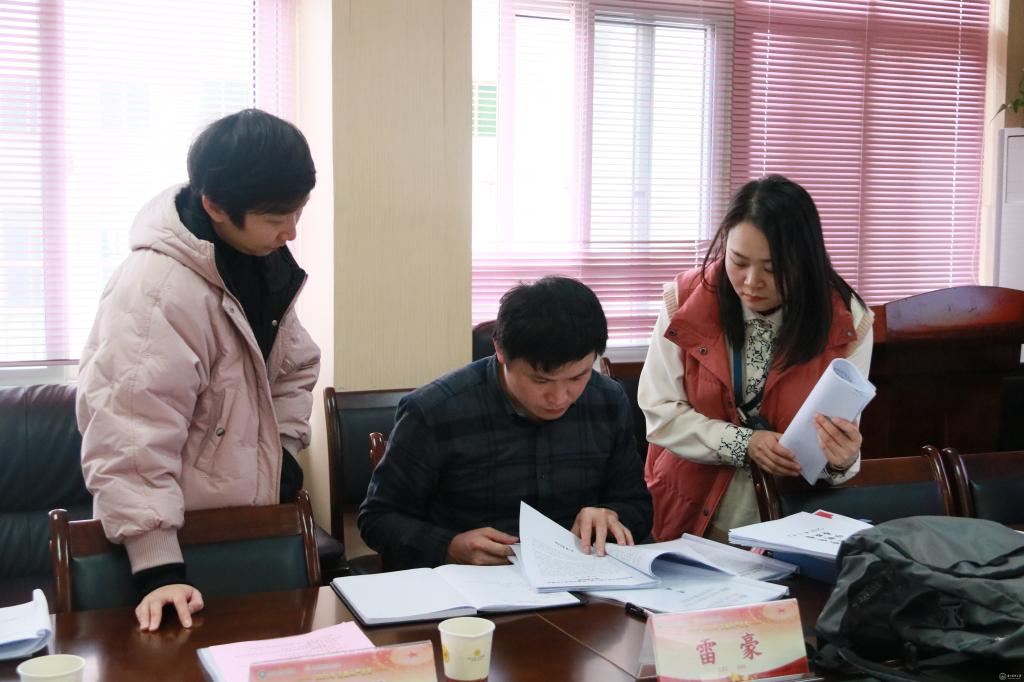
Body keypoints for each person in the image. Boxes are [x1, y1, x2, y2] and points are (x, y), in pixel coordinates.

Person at [76, 109, 321, 631]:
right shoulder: (157, 288)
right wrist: (157, 566)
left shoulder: (261, 261)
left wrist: (283, 450)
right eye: (276, 219)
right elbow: (129, 433)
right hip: (173, 550)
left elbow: (295, 367)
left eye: (298, 212)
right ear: (215, 206)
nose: (291, 232)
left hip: (250, 528)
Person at [638, 175, 873, 542]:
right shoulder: (684, 302)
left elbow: (837, 441)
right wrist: (743, 442)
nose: (751, 282)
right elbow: (660, 413)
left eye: (773, 268)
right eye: (738, 261)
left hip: (788, 523)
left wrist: (841, 458)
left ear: (806, 261)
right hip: (685, 512)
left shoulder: (848, 322)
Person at [358, 276, 653, 569]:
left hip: (585, 577)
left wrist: (612, 514)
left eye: (578, 377)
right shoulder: (434, 411)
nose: (559, 397)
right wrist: (449, 546)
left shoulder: (607, 400)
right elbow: (378, 519)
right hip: (473, 581)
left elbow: (637, 505)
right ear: (500, 350)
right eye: (541, 380)